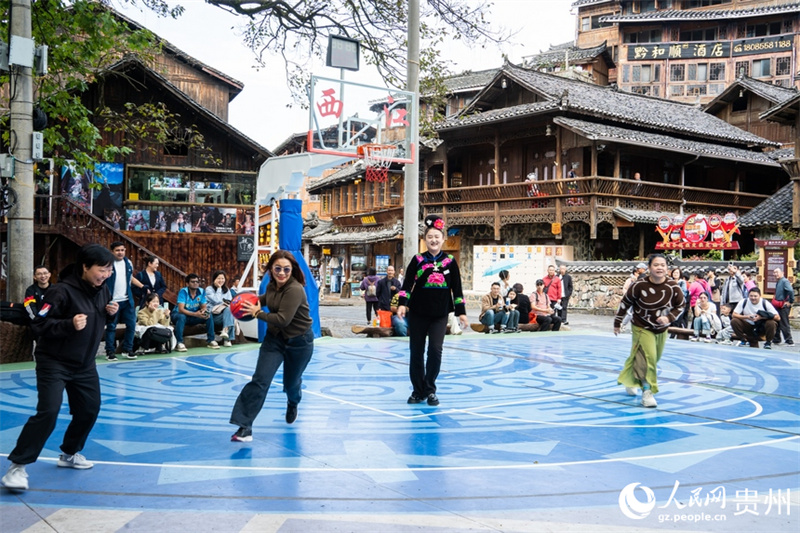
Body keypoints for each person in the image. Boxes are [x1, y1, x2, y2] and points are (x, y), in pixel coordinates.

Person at [1, 244, 119, 491]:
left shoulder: (103, 290)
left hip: (84, 365)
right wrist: (68, 324)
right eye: (102, 269)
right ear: (85, 267)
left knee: (89, 410)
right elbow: (39, 324)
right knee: (49, 411)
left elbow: (96, 319)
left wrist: (109, 314)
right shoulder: (60, 292)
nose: (106, 275)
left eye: (109, 270)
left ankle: (69, 453)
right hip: (54, 362)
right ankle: (17, 466)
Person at [229, 250, 314, 441]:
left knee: (291, 384)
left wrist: (257, 313)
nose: (282, 273)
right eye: (277, 268)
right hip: (274, 340)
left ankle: (293, 402)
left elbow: (283, 319)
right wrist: (243, 303)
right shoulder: (271, 286)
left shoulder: (295, 289)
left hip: (299, 342)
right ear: (270, 269)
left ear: (292, 270)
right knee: (260, 380)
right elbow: (264, 300)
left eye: (286, 269)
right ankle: (244, 427)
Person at [397, 214, 469, 406]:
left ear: (443, 239)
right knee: (416, 352)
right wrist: (403, 304)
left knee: (435, 350)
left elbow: (457, 288)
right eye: (430, 237)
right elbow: (407, 284)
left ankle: (430, 390)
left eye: (437, 236)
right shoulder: (418, 259)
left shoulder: (450, 261)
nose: (434, 240)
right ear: (425, 239)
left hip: (440, 313)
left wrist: (461, 312)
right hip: (418, 312)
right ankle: (417, 390)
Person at [614, 253, 685, 408]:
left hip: (661, 329)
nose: (659, 268)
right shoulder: (639, 285)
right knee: (649, 358)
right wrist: (618, 322)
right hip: (641, 326)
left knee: (653, 358)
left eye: (663, 265)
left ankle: (631, 379)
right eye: (656, 265)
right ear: (649, 268)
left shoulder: (673, 287)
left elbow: (681, 305)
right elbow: (625, 302)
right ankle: (647, 391)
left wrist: (669, 318)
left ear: (667, 268)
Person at [104, 242, 145, 361]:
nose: (120, 252)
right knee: (111, 326)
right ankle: (110, 351)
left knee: (131, 325)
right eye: (117, 250)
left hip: (127, 300)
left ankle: (128, 349)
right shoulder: (107, 263)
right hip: (112, 301)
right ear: (112, 251)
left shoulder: (128, 263)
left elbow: (130, 278)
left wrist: (142, 287)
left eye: (122, 250)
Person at [171, 273, 217, 352]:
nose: (195, 283)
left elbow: (204, 307)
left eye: (197, 282)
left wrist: (203, 311)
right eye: (193, 282)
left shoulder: (201, 291)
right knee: (182, 316)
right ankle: (179, 343)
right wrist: (195, 314)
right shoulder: (183, 291)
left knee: (208, 315)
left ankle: (211, 340)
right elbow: (181, 310)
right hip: (178, 315)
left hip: (193, 316)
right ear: (187, 284)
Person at [205, 270, 236, 347]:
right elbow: (217, 300)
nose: (221, 280)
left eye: (222, 278)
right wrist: (219, 288)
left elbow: (230, 302)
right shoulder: (209, 289)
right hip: (213, 316)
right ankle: (227, 339)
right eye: (218, 278)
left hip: (224, 315)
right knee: (230, 315)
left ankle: (225, 332)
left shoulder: (226, 289)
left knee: (229, 309)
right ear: (214, 279)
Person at [771, 267, 794, 346]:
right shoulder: (779, 281)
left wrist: (790, 301)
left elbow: (790, 290)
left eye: (777, 272)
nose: (775, 274)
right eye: (774, 272)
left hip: (783, 305)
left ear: (782, 272)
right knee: (777, 321)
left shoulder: (784, 281)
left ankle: (789, 341)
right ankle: (776, 339)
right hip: (778, 304)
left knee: (784, 323)